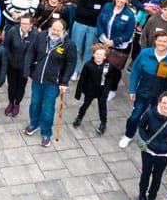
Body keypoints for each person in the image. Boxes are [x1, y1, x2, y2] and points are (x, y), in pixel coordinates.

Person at [120, 31, 167, 149]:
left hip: (160, 97)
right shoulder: (144, 54)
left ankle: (148, 139)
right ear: (155, 41)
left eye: (164, 41)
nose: (161, 43)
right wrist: (132, 90)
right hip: (142, 93)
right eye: (159, 40)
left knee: (154, 120)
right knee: (135, 116)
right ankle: (128, 135)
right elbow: (135, 72)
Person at [23, 19, 76, 147]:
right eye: (53, 29)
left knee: (48, 109)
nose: (55, 32)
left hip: (53, 83)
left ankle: (46, 132)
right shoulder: (41, 37)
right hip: (37, 79)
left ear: (64, 31)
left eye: (58, 30)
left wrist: (64, 82)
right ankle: (34, 124)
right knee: (35, 103)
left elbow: (70, 64)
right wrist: (27, 70)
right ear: (50, 28)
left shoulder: (69, 45)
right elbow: (31, 52)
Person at [97, 0, 137, 100]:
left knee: (115, 69)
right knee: (102, 64)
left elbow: (128, 34)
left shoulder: (129, 15)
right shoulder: (107, 7)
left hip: (120, 46)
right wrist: (102, 36)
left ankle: (112, 89)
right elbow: (99, 21)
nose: (120, 0)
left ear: (126, 1)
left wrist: (113, 42)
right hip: (104, 41)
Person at [73, 45, 113, 134]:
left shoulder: (108, 66)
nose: (99, 56)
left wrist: (106, 91)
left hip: (102, 92)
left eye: (101, 54)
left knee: (102, 108)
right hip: (89, 91)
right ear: (93, 54)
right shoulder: (88, 65)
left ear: (105, 56)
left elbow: (109, 80)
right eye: (97, 54)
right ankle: (79, 117)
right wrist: (78, 93)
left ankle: (103, 123)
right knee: (84, 106)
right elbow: (82, 79)